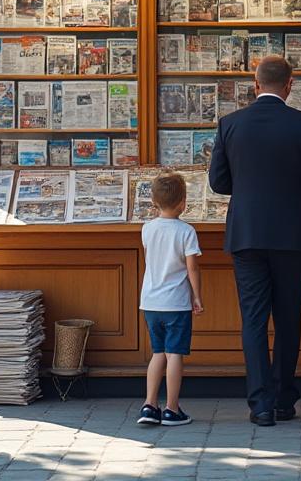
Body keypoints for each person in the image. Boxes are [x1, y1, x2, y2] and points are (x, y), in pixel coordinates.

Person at [208, 55, 301, 427]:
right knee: (288, 318)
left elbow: (218, 183)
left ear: (255, 83)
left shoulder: (230, 124)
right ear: (290, 85)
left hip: (246, 233)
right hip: (292, 235)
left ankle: (260, 404)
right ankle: (283, 399)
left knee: (253, 319)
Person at [136, 171, 204, 428]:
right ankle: (171, 409)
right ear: (183, 202)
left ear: (154, 201)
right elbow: (192, 268)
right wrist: (196, 296)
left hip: (150, 302)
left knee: (157, 353)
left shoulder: (147, 229)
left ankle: (149, 404)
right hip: (176, 303)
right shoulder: (186, 232)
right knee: (174, 354)